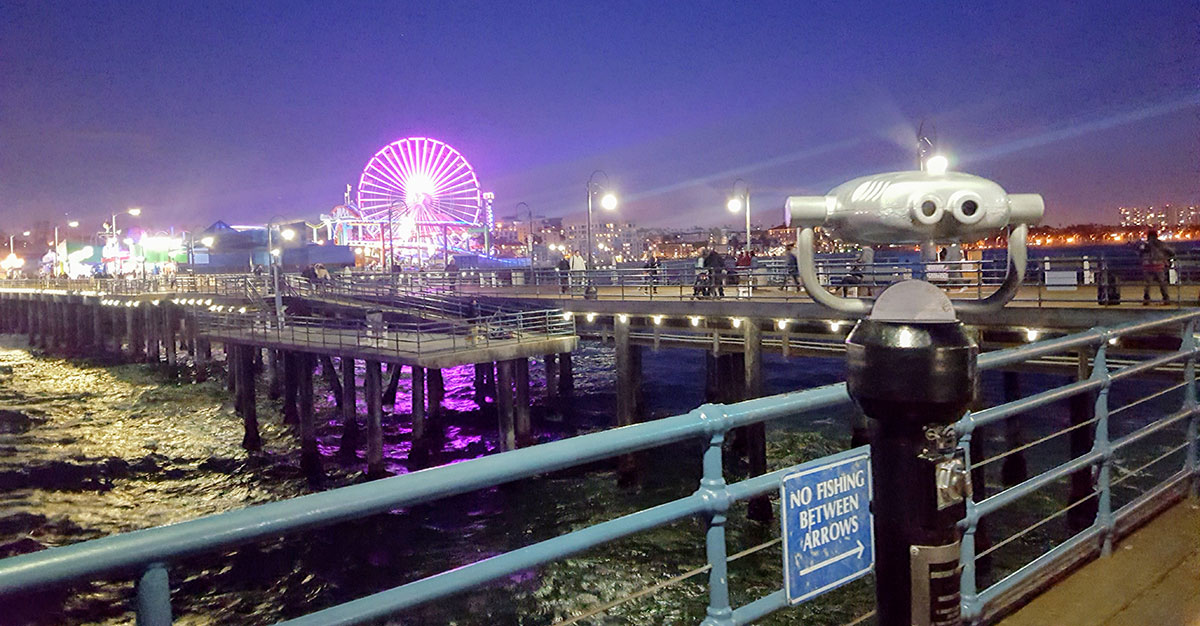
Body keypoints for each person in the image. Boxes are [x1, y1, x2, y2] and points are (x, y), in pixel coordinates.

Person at [1138, 229, 1174, 304]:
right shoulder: (1160, 244)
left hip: (1148, 265)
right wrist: (1166, 259)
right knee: (1162, 283)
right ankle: (1166, 299)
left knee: (1147, 284)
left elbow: (1140, 253)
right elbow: (1171, 252)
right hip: (1159, 265)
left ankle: (1146, 299)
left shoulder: (1145, 245)